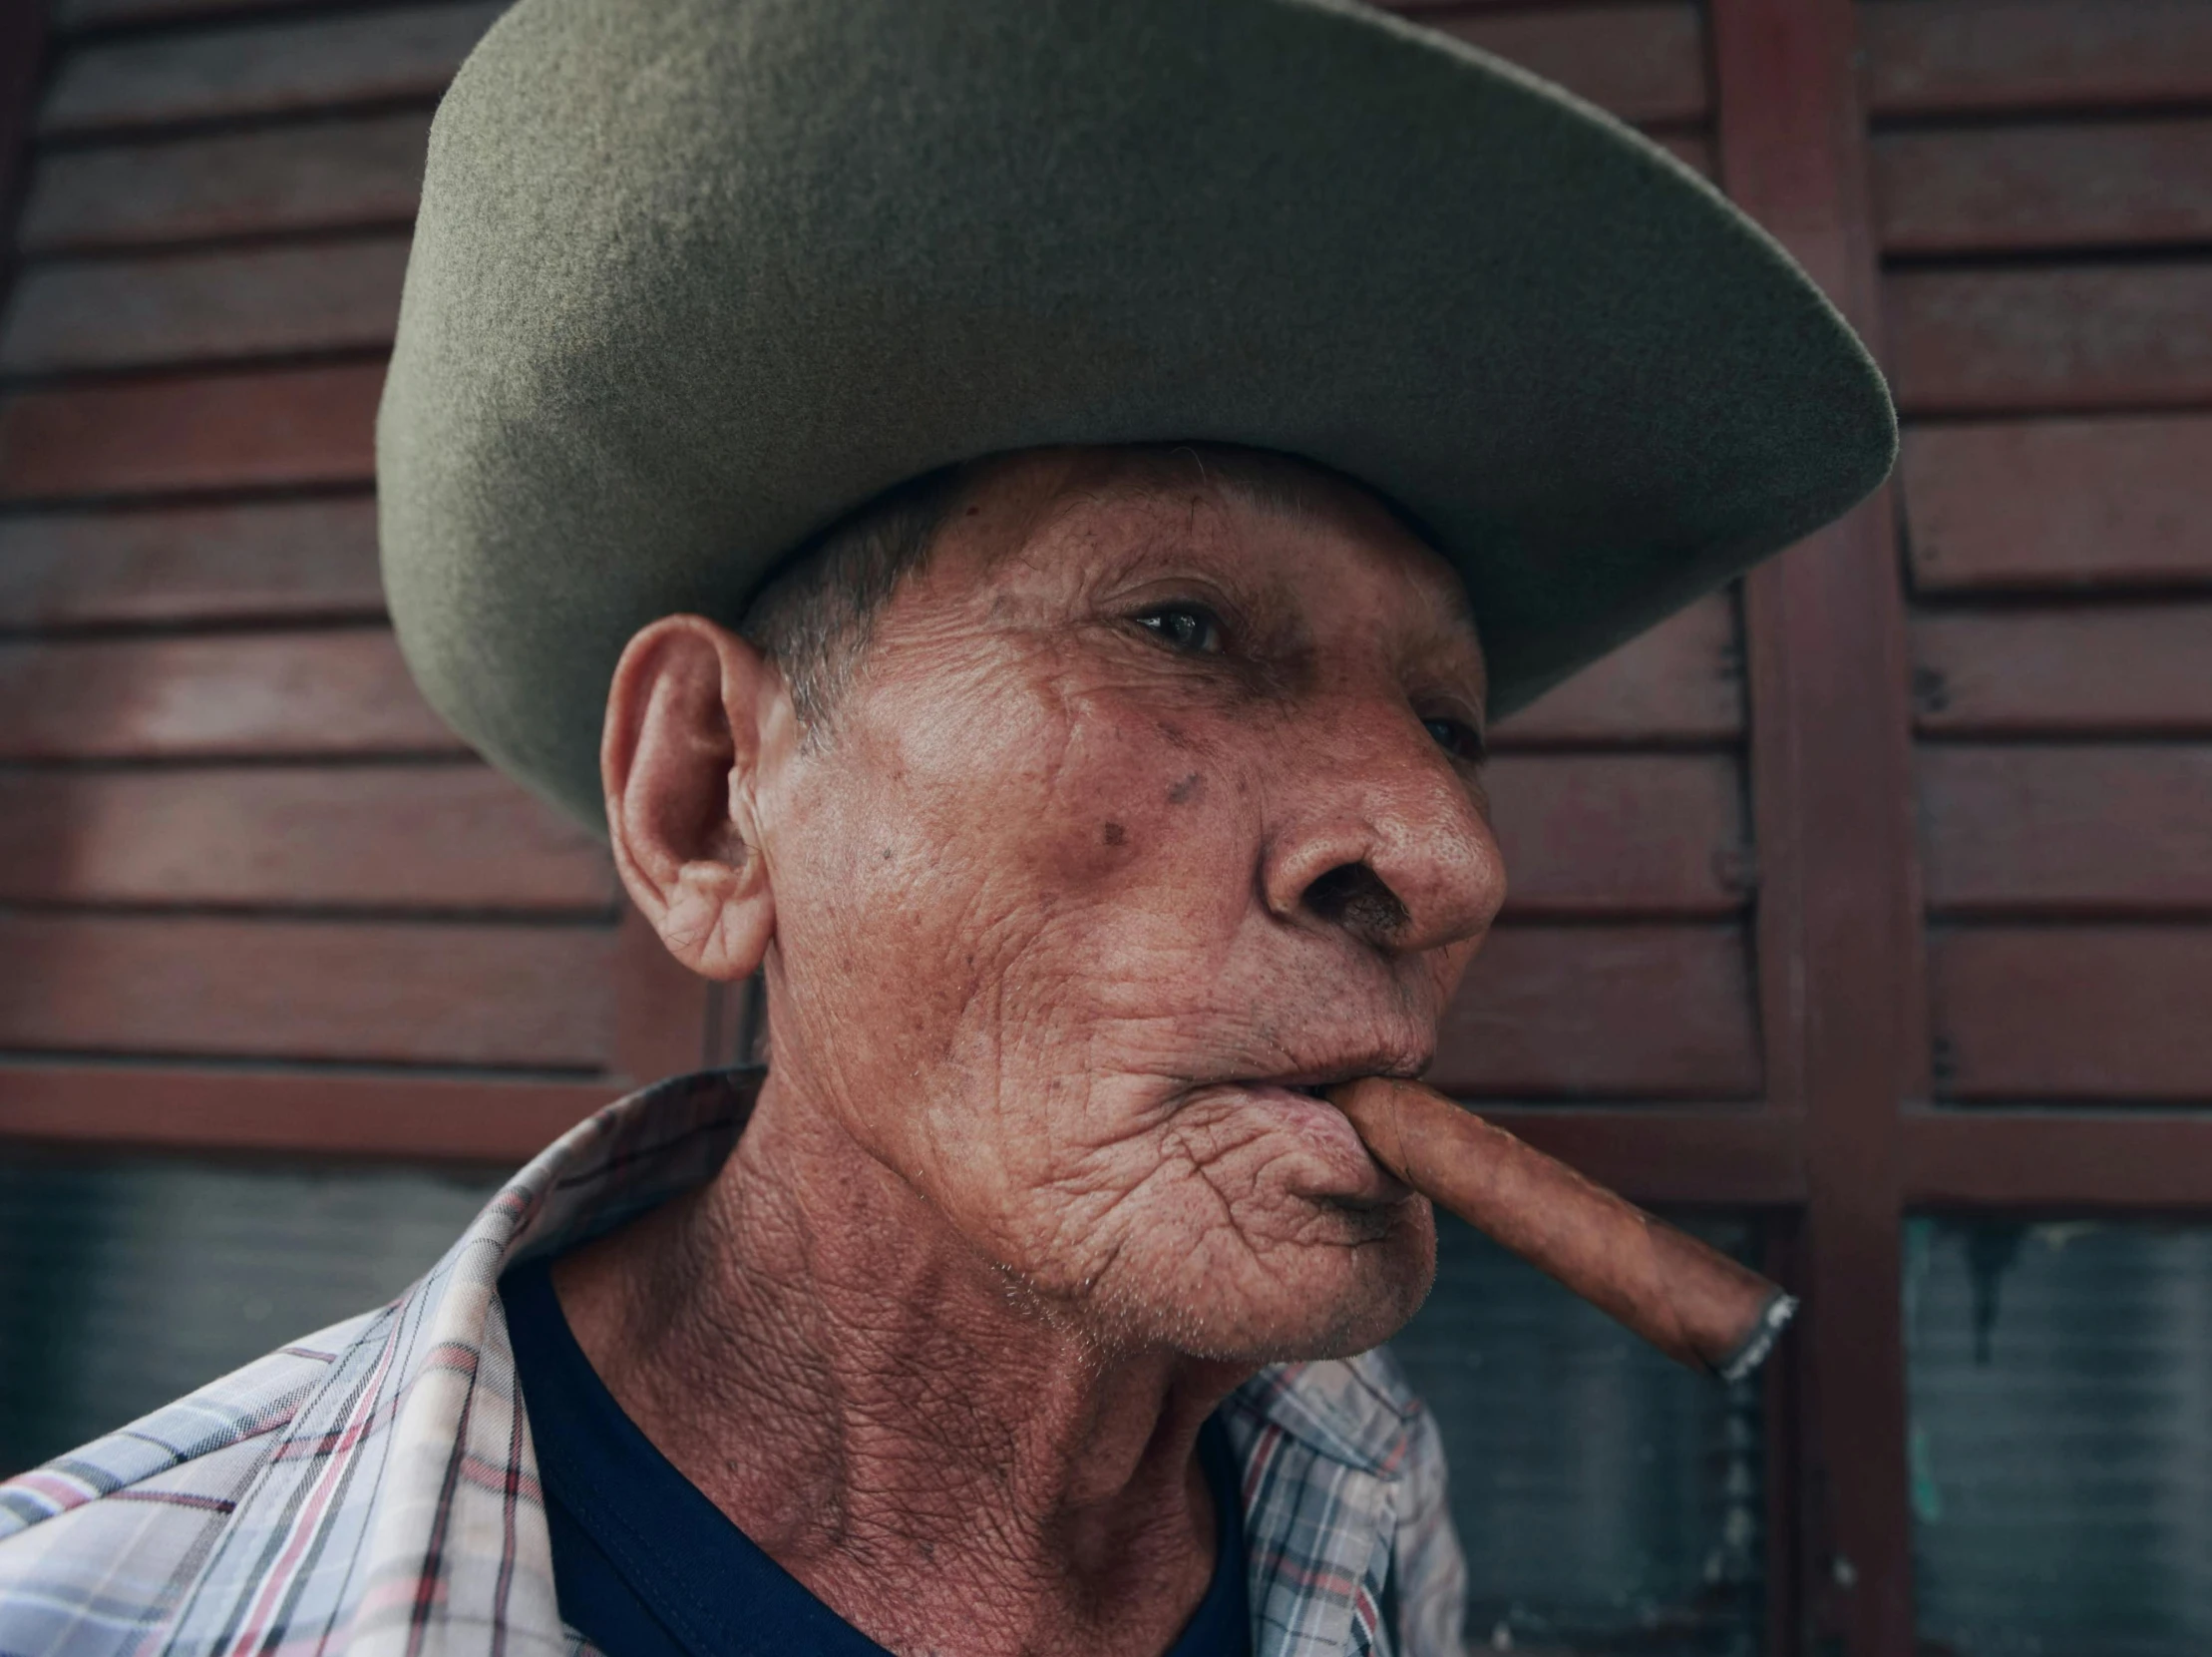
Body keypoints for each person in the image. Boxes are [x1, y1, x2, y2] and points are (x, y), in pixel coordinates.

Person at [0, 1, 1893, 1654]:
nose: (1444, 858)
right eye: (1179, 628)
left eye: (1450, 725)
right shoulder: (96, 1613)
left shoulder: (1360, 1485)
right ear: (708, 799)